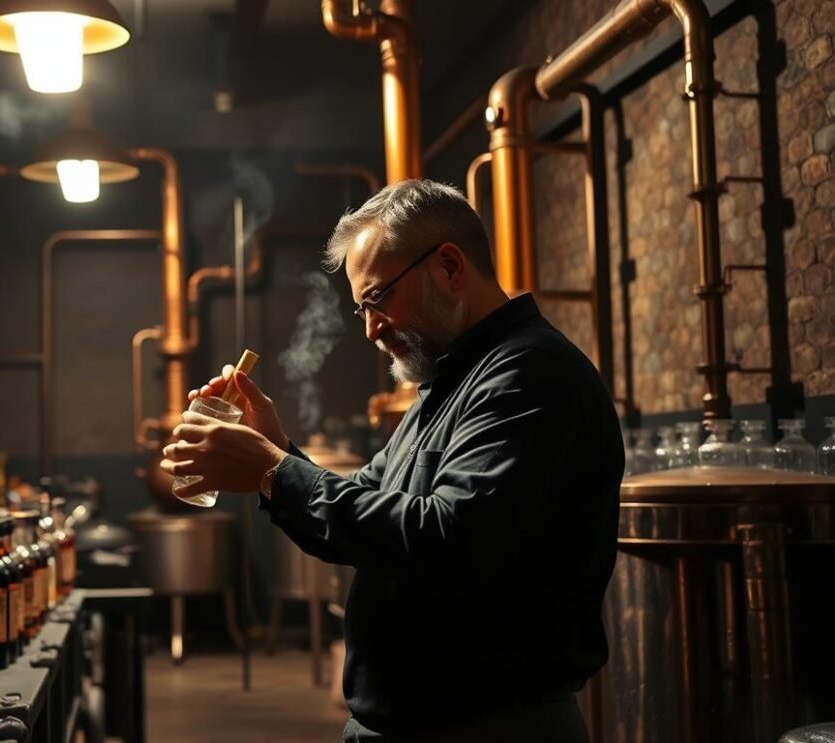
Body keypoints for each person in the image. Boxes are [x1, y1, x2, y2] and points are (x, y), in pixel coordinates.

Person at [160, 179, 623, 742]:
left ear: (449, 266)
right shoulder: (446, 383)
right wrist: (278, 452)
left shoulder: (529, 375)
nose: (372, 329)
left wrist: (272, 470)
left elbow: (447, 542)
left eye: (377, 299)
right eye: (360, 310)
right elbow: (363, 517)